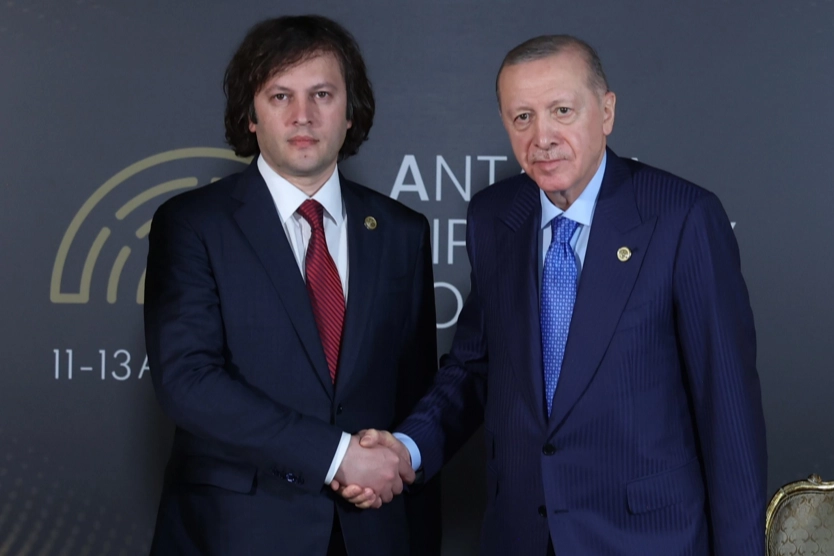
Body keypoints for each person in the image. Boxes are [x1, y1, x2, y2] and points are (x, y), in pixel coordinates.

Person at [339, 35, 767, 555]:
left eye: (562, 111)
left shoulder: (682, 217)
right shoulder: (494, 217)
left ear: (606, 112)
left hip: (646, 539)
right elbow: (475, 367)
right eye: (522, 117)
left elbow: (728, 413)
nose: (542, 137)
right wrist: (407, 449)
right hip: (521, 536)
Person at [144, 15, 440, 555]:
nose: (303, 115)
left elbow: (415, 394)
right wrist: (336, 456)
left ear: (350, 112)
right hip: (234, 533)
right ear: (250, 115)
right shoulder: (192, 224)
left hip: (372, 533)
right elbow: (189, 381)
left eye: (322, 94)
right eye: (280, 96)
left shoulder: (402, 232)